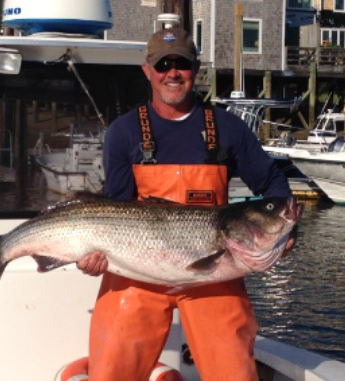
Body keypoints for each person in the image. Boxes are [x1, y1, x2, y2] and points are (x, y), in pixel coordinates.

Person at [77, 27, 296, 381]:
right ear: (148, 71)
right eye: (163, 64)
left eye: (182, 64)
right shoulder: (124, 132)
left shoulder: (229, 128)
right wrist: (96, 256)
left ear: (196, 69)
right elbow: (115, 208)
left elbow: (274, 186)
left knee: (233, 372)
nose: (172, 73)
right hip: (138, 271)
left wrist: (286, 235)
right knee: (111, 369)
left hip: (214, 270)